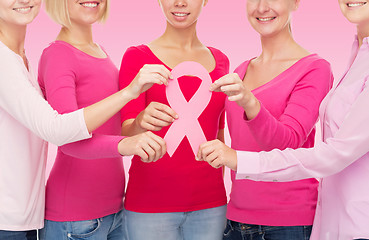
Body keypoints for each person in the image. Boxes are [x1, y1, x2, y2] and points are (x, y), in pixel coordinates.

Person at [198, 0, 369, 239]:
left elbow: (290, 142)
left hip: (287, 224)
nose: (262, 6)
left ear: (296, 2)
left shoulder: (314, 68)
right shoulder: (239, 71)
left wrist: (250, 104)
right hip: (236, 219)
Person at [0, 0, 168, 240]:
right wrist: (129, 95)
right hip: (72, 216)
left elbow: (106, 128)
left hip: (109, 208)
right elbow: (63, 133)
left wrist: (138, 125)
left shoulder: (23, 59)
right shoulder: (53, 54)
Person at [119, 0, 229, 239]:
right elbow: (125, 134)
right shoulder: (137, 57)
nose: (180, 2)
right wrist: (140, 122)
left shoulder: (221, 61)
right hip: (150, 206)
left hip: (210, 205)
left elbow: (219, 135)